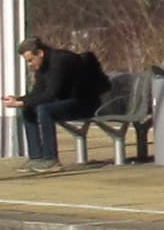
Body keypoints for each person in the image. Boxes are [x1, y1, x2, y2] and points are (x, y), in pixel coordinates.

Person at [11, 36, 111, 165]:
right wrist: (20, 99)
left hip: (87, 102)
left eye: (30, 60)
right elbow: (38, 92)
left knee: (44, 109)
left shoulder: (61, 61)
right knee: (28, 109)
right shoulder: (43, 66)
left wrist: (22, 102)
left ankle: (51, 158)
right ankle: (36, 157)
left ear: (40, 53)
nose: (30, 64)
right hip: (68, 101)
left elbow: (52, 94)